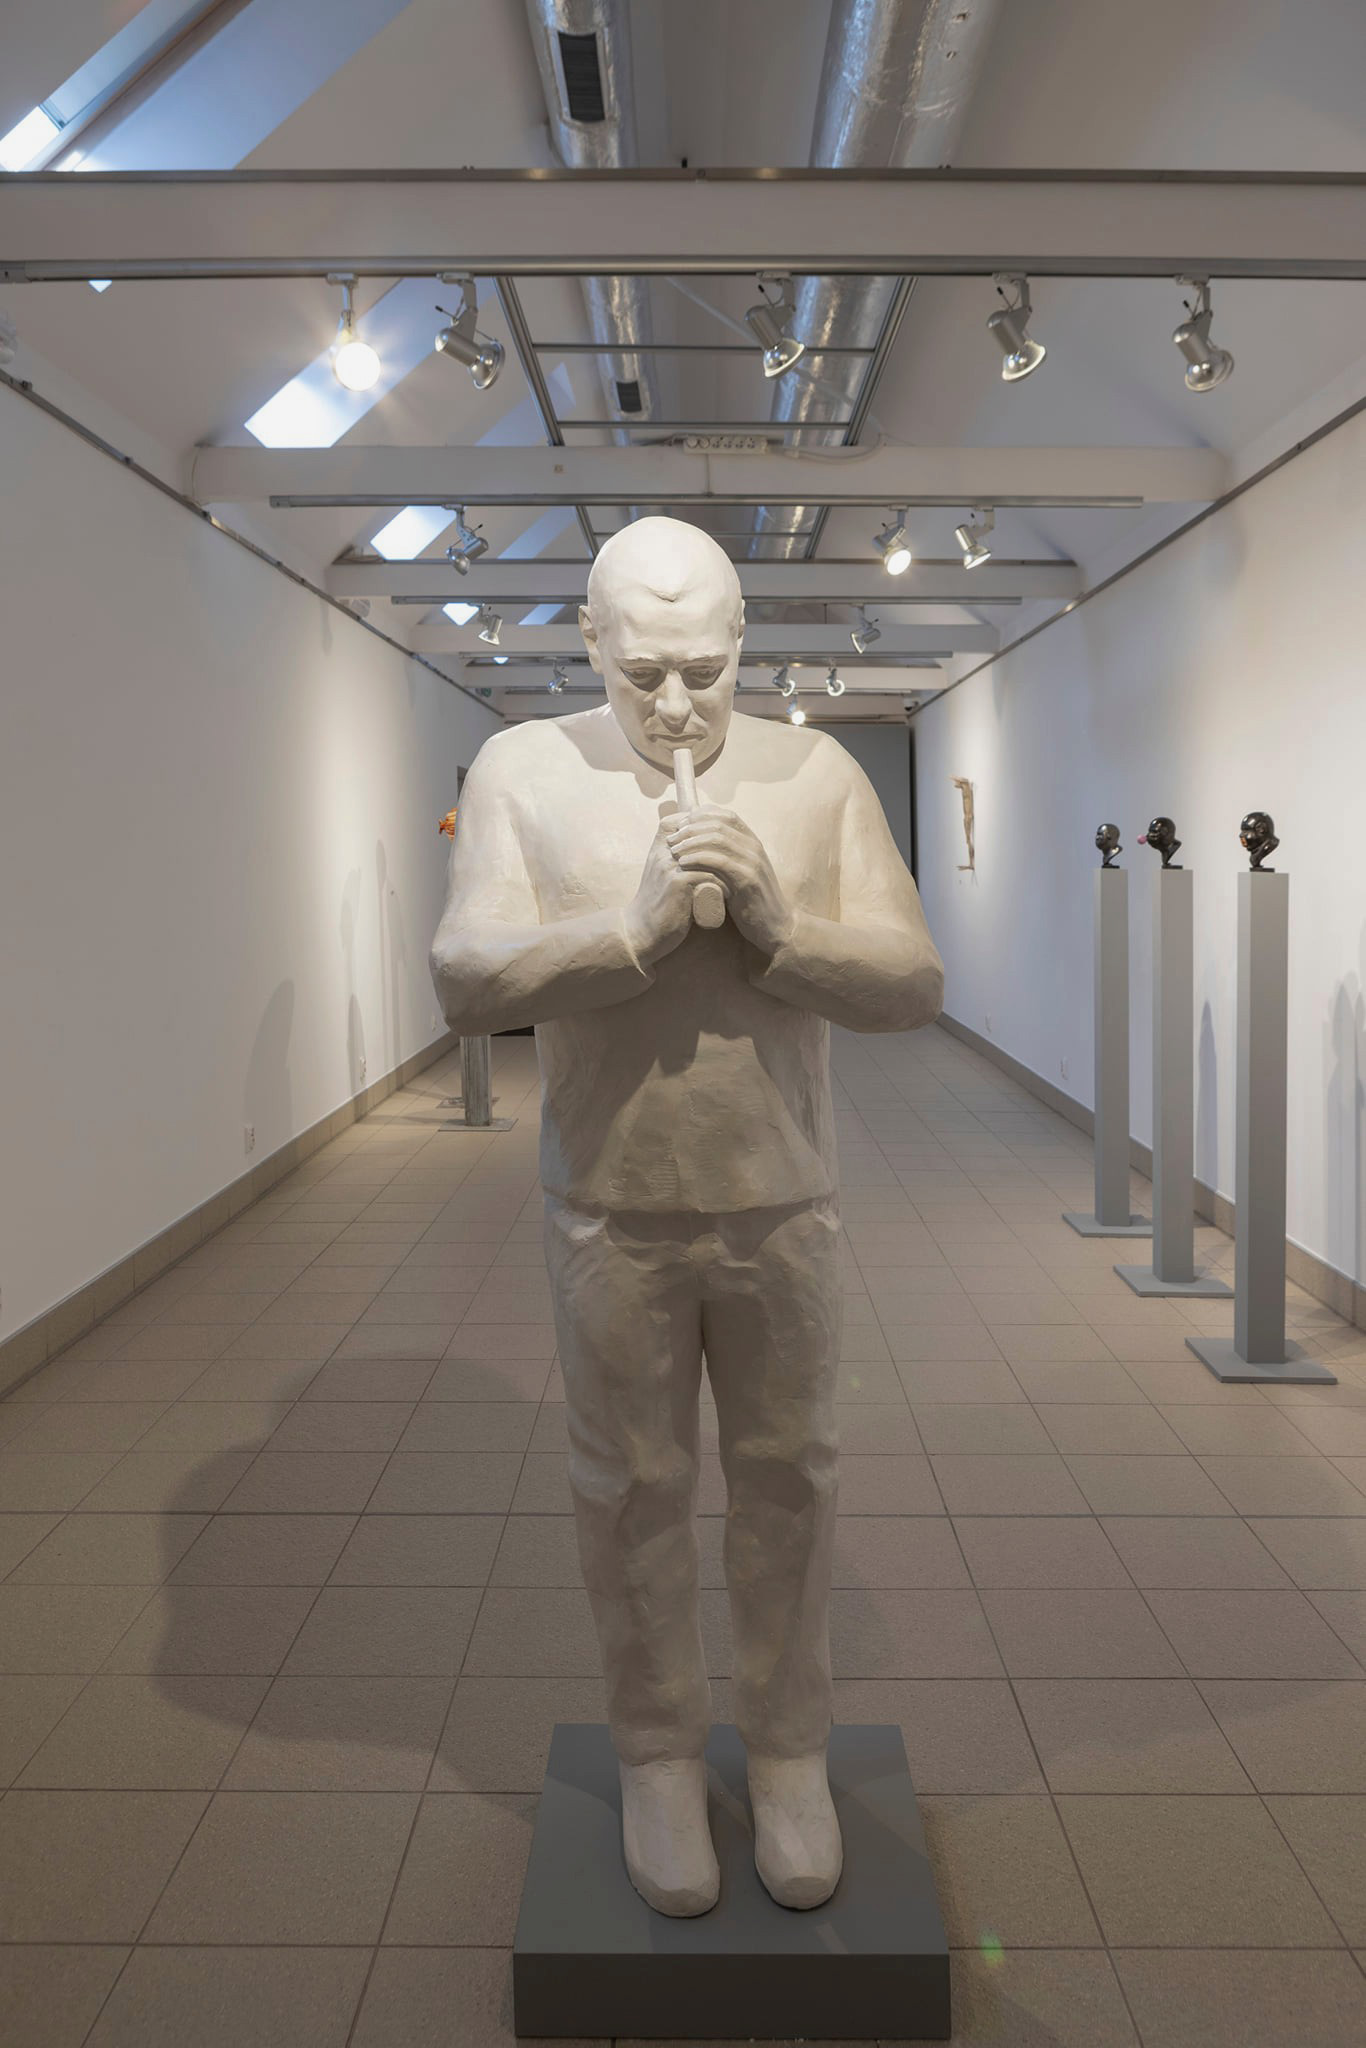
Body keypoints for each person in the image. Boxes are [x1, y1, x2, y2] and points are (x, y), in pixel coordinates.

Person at [431, 517, 943, 1916]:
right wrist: (631, 933)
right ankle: (657, 1751)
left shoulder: (813, 772)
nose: (673, 705)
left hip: (782, 1197)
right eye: (642, 671)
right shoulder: (525, 768)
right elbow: (465, 978)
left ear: (742, 643)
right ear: (589, 642)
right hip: (612, 1201)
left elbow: (910, 981)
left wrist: (781, 928)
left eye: (705, 672)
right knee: (629, 1488)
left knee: (790, 1478)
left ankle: (786, 1750)